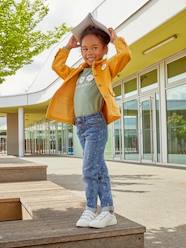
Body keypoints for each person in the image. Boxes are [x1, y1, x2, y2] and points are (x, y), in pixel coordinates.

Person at [46, 24, 131, 228]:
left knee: (89, 169)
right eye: (85, 48)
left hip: (95, 124)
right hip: (81, 126)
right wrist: (68, 47)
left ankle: (91, 208)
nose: (89, 52)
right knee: (98, 168)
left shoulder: (105, 68)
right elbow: (57, 66)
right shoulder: (77, 73)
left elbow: (126, 55)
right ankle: (108, 210)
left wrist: (116, 38)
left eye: (94, 47)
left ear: (104, 49)